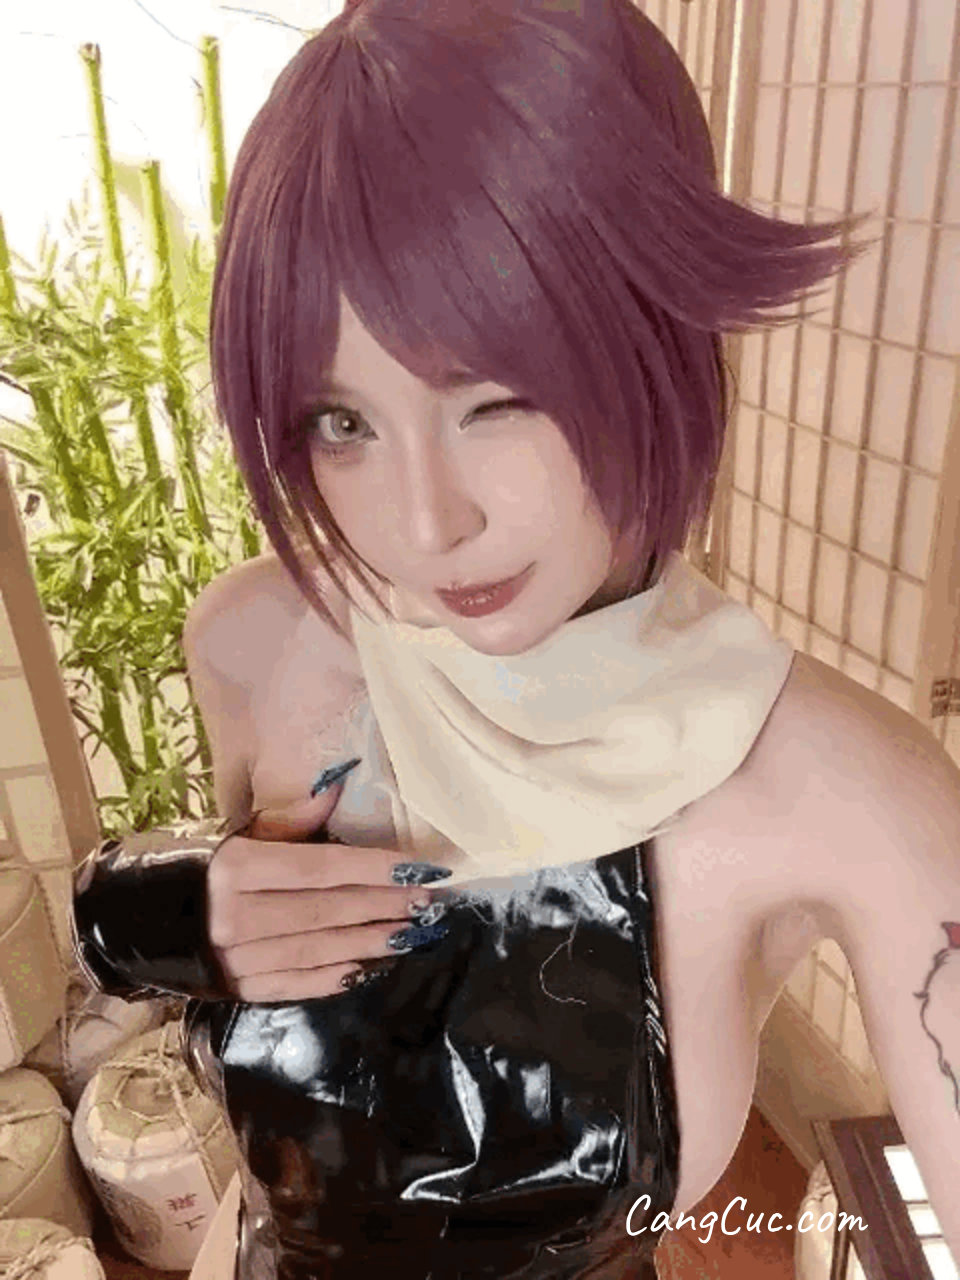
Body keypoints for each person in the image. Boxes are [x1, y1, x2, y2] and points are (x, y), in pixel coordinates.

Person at [72, 0, 960, 1276]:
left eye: (496, 398)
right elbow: (224, 958)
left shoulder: (845, 789)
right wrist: (153, 903)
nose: (426, 523)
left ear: (659, 332)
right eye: (342, 421)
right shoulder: (258, 636)